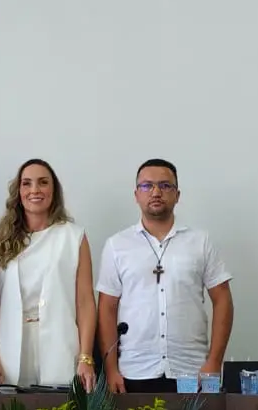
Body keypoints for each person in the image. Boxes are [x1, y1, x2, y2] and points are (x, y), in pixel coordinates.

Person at [96, 159, 233, 393]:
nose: (156, 192)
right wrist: (111, 370)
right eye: (147, 186)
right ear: (136, 194)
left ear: (177, 195)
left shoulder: (200, 241)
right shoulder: (117, 245)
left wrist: (214, 362)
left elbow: (223, 300)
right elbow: (107, 308)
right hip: (134, 370)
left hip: (191, 369)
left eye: (165, 186)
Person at [0, 160, 96, 388]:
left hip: (60, 343)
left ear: (54, 190)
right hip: (11, 347)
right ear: (19, 192)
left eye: (43, 183)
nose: (35, 190)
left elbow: (85, 303)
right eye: (27, 183)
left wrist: (86, 357)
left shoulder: (73, 237)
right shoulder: (2, 240)